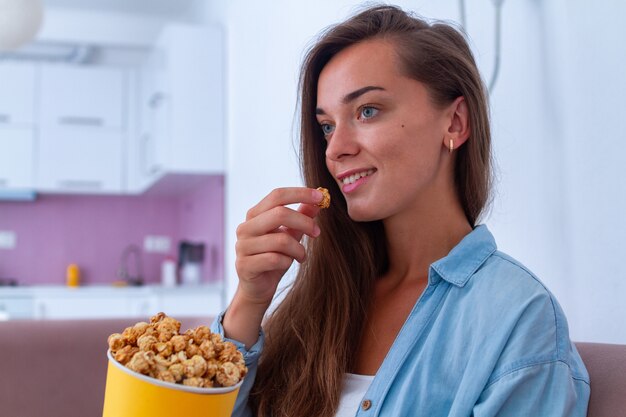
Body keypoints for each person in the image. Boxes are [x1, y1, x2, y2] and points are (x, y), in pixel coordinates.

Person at [211, 5, 590, 417]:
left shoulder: (519, 319)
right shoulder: (321, 298)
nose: (335, 149)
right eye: (327, 126)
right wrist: (249, 301)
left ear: (455, 123)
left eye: (367, 111)